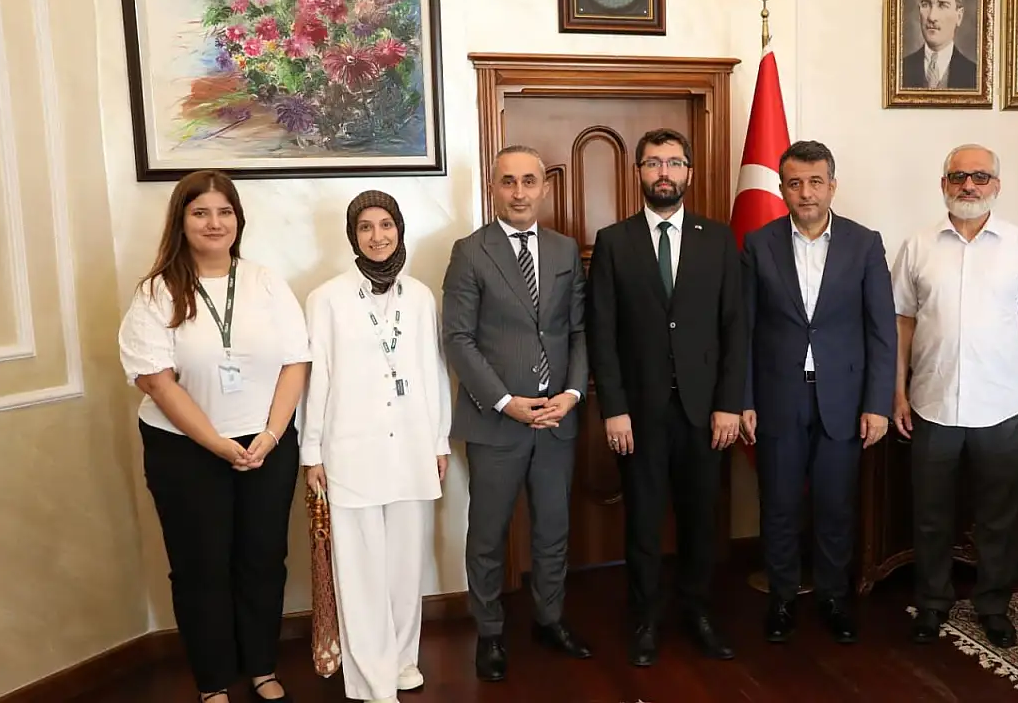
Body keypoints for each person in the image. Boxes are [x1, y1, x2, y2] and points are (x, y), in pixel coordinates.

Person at [117, 170, 310, 703]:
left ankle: (262, 667)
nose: (214, 222)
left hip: (266, 446)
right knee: (201, 567)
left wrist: (271, 435)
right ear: (181, 222)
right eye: (200, 212)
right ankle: (213, 681)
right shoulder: (156, 292)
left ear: (238, 220)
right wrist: (218, 445)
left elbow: (296, 362)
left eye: (224, 212)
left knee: (263, 560)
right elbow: (157, 381)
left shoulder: (265, 282)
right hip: (185, 451)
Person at [587, 127, 746, 667]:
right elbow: (602, 333)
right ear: (639, 172)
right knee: (643, 523)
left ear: (689, 173)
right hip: (639, 415)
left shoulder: (718, 239)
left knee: (702, 521)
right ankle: (646, 620)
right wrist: (614, 409)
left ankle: (698, 614)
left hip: (705, 413)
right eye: (653, 163)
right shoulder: (614, 241)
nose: (664, 173)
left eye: (674, 163)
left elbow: (734, 327)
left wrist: (728, 403)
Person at [891, 144, 1018, 648]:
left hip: (1002, 406)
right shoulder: (917, 246)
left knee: (999, 519)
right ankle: (932, 604)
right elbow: (901, 323)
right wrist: (897, 392)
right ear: (943, 184)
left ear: (996, 185)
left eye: (980, 177)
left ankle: (994, 606)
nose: (969, 185)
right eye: (958, 176)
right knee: (930, 516)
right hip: (932, 403)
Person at [442, 145, 591, 683]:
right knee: (487, 534)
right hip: (496, 421)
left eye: (529, 181)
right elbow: (457, 338)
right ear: (494, 188)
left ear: (544, 188)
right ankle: (489, 632)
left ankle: (549, 619)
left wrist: (572, 394)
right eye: (509, 182)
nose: (520, 192)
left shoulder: (564, 249)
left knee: (553, 529)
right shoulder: (470, 251)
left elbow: (578, 330)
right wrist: (507, 402)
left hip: (556, 418)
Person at [739, 140, 896, 645]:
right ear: (782, 188)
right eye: (795, 183)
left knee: (835, 506)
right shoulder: (759, 244)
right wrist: (744, 398)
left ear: (832, 185)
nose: (805, 193)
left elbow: (882, 331)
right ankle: (783, 599)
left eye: (815, 182)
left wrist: (877, 404)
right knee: (779, 506)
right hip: (778, 397)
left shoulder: (864, 243)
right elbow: (743, 329)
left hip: (843, 401)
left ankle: (832, 598)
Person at [300, 191, 450, 703]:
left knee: (406, 566)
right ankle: (370, 678)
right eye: (365, 227)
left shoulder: (421, 296)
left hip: (411, 445)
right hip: (351, 449)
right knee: (360, 570)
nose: (377, 236)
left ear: (399, 229)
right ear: (353, 235)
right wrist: (312, 452)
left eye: (386, 224)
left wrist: (438, 439)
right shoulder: (326, 299)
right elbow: (316, 379)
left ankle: (403, 660)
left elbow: (434, 370)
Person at [902, 0, 978, 90]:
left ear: (959, 16)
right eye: (925, 4)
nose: (932, 17)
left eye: (942, 5)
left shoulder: (976, 76)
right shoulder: (899, 70)